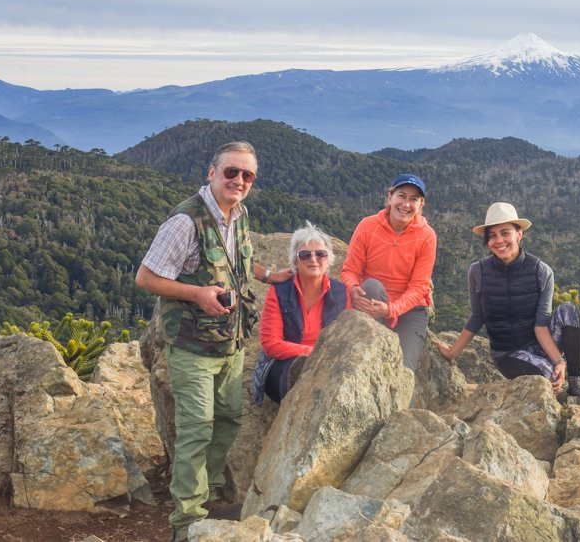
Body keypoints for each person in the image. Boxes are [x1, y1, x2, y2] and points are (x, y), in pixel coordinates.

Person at [135, 141, 292, 542]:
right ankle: (186, 524)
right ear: (212, 172)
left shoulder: (238, 214)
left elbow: (238, 260)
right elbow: (146, 278)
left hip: (230, 343)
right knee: (197, 429)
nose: (239, 180)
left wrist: (268, 275)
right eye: (231, 172)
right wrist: (198, 294)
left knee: (227, 422)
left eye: (247, 175)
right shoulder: (186, 222)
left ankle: (204, 495)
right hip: (191, 346)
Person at [433, 202, 580, 402]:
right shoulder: (478, 271)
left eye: (505, 233)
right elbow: (477, 316)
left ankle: (576, 381)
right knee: (548, 379)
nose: (498, 240)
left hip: (539, 343)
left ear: (519, 234)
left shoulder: (541, 271)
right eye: (492, 235)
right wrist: (453, 352)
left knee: (569, 310)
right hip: (508, 353)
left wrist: (559, 361)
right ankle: (554, 373)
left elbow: (541, 323)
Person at [341, 173, 437, 370]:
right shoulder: (368, 226)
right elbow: (350, 270)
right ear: (390, 197)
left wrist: (391, 310)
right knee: (371, 286)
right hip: (374, 298)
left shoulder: (427, 236)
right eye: (401, 196)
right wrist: (352, 288)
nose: (406, 204)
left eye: (414, 199)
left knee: (402, 370)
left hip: (410, 310)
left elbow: (419, 287)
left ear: (421, 205)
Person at [252, 222, 347, 405]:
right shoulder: (279, 291)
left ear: (329, 259)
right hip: (285, 364)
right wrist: (311, 353)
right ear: (295, 261)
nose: (313, 259)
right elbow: (271, 344)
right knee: (296, 370)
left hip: (327, 362)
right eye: (305, 255)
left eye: (320, 254)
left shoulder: (342, 293)